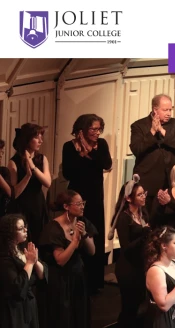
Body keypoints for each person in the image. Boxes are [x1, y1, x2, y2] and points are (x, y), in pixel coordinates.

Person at [39, 190, 97, 328]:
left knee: (80, 322)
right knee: (64, 324)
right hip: (61, 281)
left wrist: (84, 235)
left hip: (78, 279)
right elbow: (61, 260)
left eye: (83, 203)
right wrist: (74, 241)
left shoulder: (82, 222)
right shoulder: (53, 228)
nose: (82, 207)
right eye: (78, 204)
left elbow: (92, 251)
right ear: (66, 207)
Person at [62, 114, 113, 293]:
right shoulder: (69, 147)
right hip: (77, 197)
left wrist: (88, 152)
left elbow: (106, 163)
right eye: (93, 129)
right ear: (82, 130)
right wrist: (81, 155)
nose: (97, 133)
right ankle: (76, 281)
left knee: (94, 235)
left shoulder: (102, 144)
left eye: (99, 129)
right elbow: (68, 173)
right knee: (76, 233)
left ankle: (94, 282)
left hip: (95, 198)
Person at [111, 182, 151, 328]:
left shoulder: (143, 213)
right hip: (127, 267)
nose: (143, 197)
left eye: (144, 193)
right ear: (128, 198)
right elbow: (126, 247)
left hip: (141, 265)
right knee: (128, 307)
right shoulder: (123, 218)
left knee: (136, 306)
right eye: (140, 194)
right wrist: (144, 234)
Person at [130, 94, 175, 211]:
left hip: (171, 181)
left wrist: (161, 130)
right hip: (148, 181)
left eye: (170, 109)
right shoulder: (139, 125)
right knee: (148, 215)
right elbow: (137, 149)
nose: (169, 113)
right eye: (165, 110)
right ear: (155, 110)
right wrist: (152, 131)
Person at [8, 124, 52, 245]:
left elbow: (47, 183)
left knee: (40, 241)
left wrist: (33, 167)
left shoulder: (42, 159)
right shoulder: (13, 162)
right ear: (27, 139)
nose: (41, 141)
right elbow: (14, 194)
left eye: (41, 137)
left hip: (39, 205)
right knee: (24, 243)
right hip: (22, 207)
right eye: (37, 137)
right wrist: (27, 176)